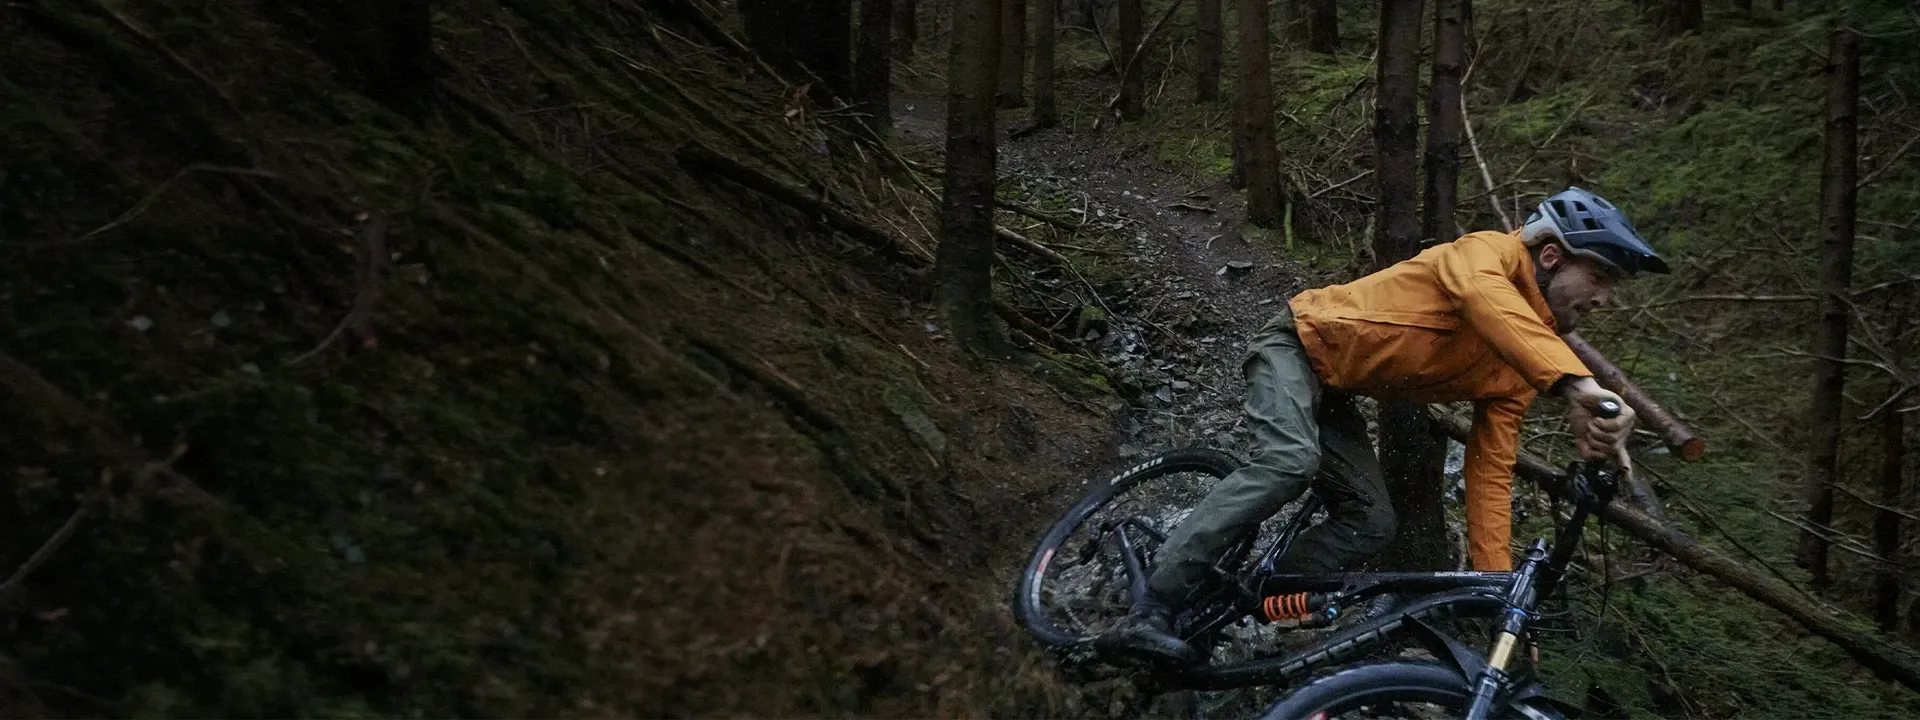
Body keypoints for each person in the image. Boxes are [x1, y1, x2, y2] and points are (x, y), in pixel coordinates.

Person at [1098, 187, 1670, 666]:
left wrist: (1500, 597)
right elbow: (1484, 299)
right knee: (1289, 463)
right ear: (1550, 257)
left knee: (1373, 522)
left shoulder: (1522, 364)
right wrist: (1578, 384)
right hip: (1294, 345)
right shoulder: (1483, 256)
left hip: (1336, 389)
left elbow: (1490, 477)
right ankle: (1152, 605)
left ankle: (1237, 601)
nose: (1603, 298)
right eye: (1598, 275)